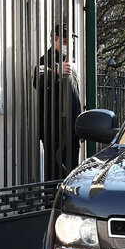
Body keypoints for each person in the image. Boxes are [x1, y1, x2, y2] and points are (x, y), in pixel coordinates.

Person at [34, 26, 82, 179]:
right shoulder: (46, 60)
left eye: (70, 42)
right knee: (54, 173)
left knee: (71, 173)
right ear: (53, 40)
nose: (68, 45)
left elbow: (75, 96)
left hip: (72, 130)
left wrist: (80, 125)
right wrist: (55, 71)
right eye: (64, 41)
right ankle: (51, 203)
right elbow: (38, 80)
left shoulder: (71, 62)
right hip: (53, 129)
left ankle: (67, 202)